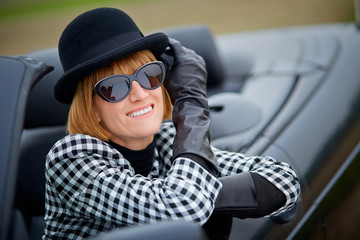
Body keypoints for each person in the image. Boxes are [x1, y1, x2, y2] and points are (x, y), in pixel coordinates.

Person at [44, 7, 300, 240]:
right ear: (91, 108)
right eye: (113, 87)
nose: (140, 94)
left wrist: (204, 195)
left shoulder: (166, 140)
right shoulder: (71, 157)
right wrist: (191, 102)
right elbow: (183, 212)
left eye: (149, 75)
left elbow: (285, 180)